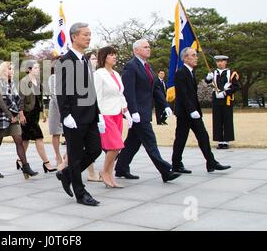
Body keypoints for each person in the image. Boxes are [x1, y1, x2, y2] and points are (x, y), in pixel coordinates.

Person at [114, 39, 181, 183]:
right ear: (136, 50)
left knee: (133, 142)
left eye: (149, 47)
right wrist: (133, 111)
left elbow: (156, 89)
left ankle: (121, 168)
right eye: (145, 47)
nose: (149, 49)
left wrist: (166, 105)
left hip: (145, 111)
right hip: (138, 112)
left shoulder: (147, 67)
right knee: (150, 141)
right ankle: (165, 171)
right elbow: (128, 91)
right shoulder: (130, 67)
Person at [55, 22, 102, 206]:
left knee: (95, 149)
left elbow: (90, 89)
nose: (89, 37)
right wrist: (66, 114)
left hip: (89, 115)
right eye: (85, 35)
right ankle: (80, 193)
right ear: (74, 37)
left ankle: (66, 174)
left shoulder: (84, 59)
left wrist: (97, 115)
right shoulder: (65, 60)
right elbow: (62, 90)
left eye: (90, 34)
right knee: (74, 157)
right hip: (74, 117)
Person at [171, 47, 231, 173]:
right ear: (185, 58)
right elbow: (183, 94)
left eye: (195, 55)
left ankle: (211, 163)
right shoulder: (181, 73)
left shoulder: (191, 72)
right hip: (185, 113)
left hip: (194, 113)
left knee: (203, 137)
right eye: (193, 55)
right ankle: (176, 164)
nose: (196, 57)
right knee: (181, 139)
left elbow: (192, 94)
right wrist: (191, 110)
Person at [0, 61, 38, 179]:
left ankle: (25, 166)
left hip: (13, 115)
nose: (12, 71)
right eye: (10, 68)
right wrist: (9, 115)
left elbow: (16, 99)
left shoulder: (12, 83)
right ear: (4, 70)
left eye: (13, 69)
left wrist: (17, 114)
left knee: (19, 140)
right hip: (1, 116)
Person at [94, 46, 132, 188]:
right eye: (111, 55)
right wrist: (99, 116)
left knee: (114, 147)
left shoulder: (116, 74)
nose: (114, 57)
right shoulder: (99, 74)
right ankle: (104, 171)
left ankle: (110, 175)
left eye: (115, 54)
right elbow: (96, 96)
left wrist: (126, 111)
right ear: (104, 57)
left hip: (117, 113)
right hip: (105, 114)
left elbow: (120, 94)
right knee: (116, 146)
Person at [19, 60, 56, 173]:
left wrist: (43, 112)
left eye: (38, 68)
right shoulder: (24, 82)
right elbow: (20, 100)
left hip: (35, 113)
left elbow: (40, 99)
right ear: (29, 69)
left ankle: (20, 160)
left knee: (25, 139)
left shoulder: (38, 82)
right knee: (39, 137)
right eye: (35, 68)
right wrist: (20, 114)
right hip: (27, 114)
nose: (38, 70)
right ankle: (46, 163)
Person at [204, 55, 241, 149]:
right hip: (216, 98)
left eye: (221, 61)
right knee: (217, 119)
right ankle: (220, 140)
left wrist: (225, 93)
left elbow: (236, 86)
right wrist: (208, 78)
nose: (219, 63)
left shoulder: (231, 73)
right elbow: (207, 82)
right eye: (217, 61)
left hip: (226, 99)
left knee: (227, 119)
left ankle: (226, 141)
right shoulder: (213, 72)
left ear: (225, 62)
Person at [84, 51, 102, 182]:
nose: (95, 61)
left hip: (98, 111)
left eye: (96, 58)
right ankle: (91, 173)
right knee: (90, 147)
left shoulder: (98, 74)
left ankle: (64, 166)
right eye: (93, 58)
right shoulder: (87, 75)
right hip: (88, 113)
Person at [47, 58, 65, 168]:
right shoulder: (53, 78)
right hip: (56, 107)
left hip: (66, 107)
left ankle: (67, 155)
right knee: (56, 132)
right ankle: (58, 156)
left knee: (68, 133)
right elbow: (54, 94)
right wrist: (61, 109)